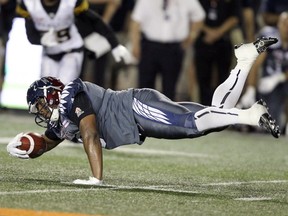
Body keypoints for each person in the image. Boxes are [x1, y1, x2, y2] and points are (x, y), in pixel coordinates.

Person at [6, 37, 280, 185]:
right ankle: (244, 60)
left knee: (191, 123)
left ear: (52, 95)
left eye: (41, 104)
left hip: (136, 107)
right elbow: (46, 142)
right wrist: (26, 145)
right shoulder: (61, 120)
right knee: (215, 116)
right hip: (139, 121)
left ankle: (250, 115)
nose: (41, 111)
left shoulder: (70, 95)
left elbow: (89, 132)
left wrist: (95, 178)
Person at [16, 0, 131, 84]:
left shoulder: (70, 2)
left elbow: (95, 21)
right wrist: (41, 40)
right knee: (46, 90)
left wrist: (114, 44)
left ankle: (66, 117)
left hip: (72, 51)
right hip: (49, 54)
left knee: (64, 88)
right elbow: (31, 37)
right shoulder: (29, 4)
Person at [130, 0, 205, 100]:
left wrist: (191, 37)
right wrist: (135, 45)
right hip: (149, 47)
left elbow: (199, 17)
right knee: (145, 87)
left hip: (173, 49)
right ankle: (143, 114)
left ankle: (166, 114)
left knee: (170, 87)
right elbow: (135, 21)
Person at [238, 12, 288, 133]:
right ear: (279, 24)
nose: (287, 28)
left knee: (276, 124)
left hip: (283, 83)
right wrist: (250, 89)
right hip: (265, 83)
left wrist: (279, 77)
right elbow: (255, 62)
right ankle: (246, 110)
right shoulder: (269, 36)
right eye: (285, 24)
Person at [194, 0, 241, 106]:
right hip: (203, 40)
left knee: (223, 78)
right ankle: (203, 109)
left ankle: (221, 109)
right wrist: (208, 31)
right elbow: (192, 15)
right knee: (203, 79)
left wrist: (218, 32)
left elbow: (235, 17)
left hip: (223, 41)